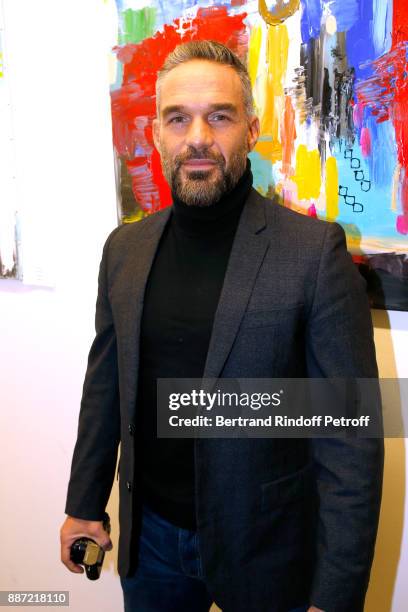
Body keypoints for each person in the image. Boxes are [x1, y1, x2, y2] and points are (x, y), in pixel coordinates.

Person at [60, 40, 384, 612]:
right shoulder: (124, 250)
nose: (198, 138)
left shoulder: (314, 254)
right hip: (152, 544)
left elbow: (350, 440)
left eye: (219, 116)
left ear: (252, 128)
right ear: (157, 131)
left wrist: (333, 597)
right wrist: (83, 502)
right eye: (177, 118)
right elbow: (105, 386)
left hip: (268, 549)